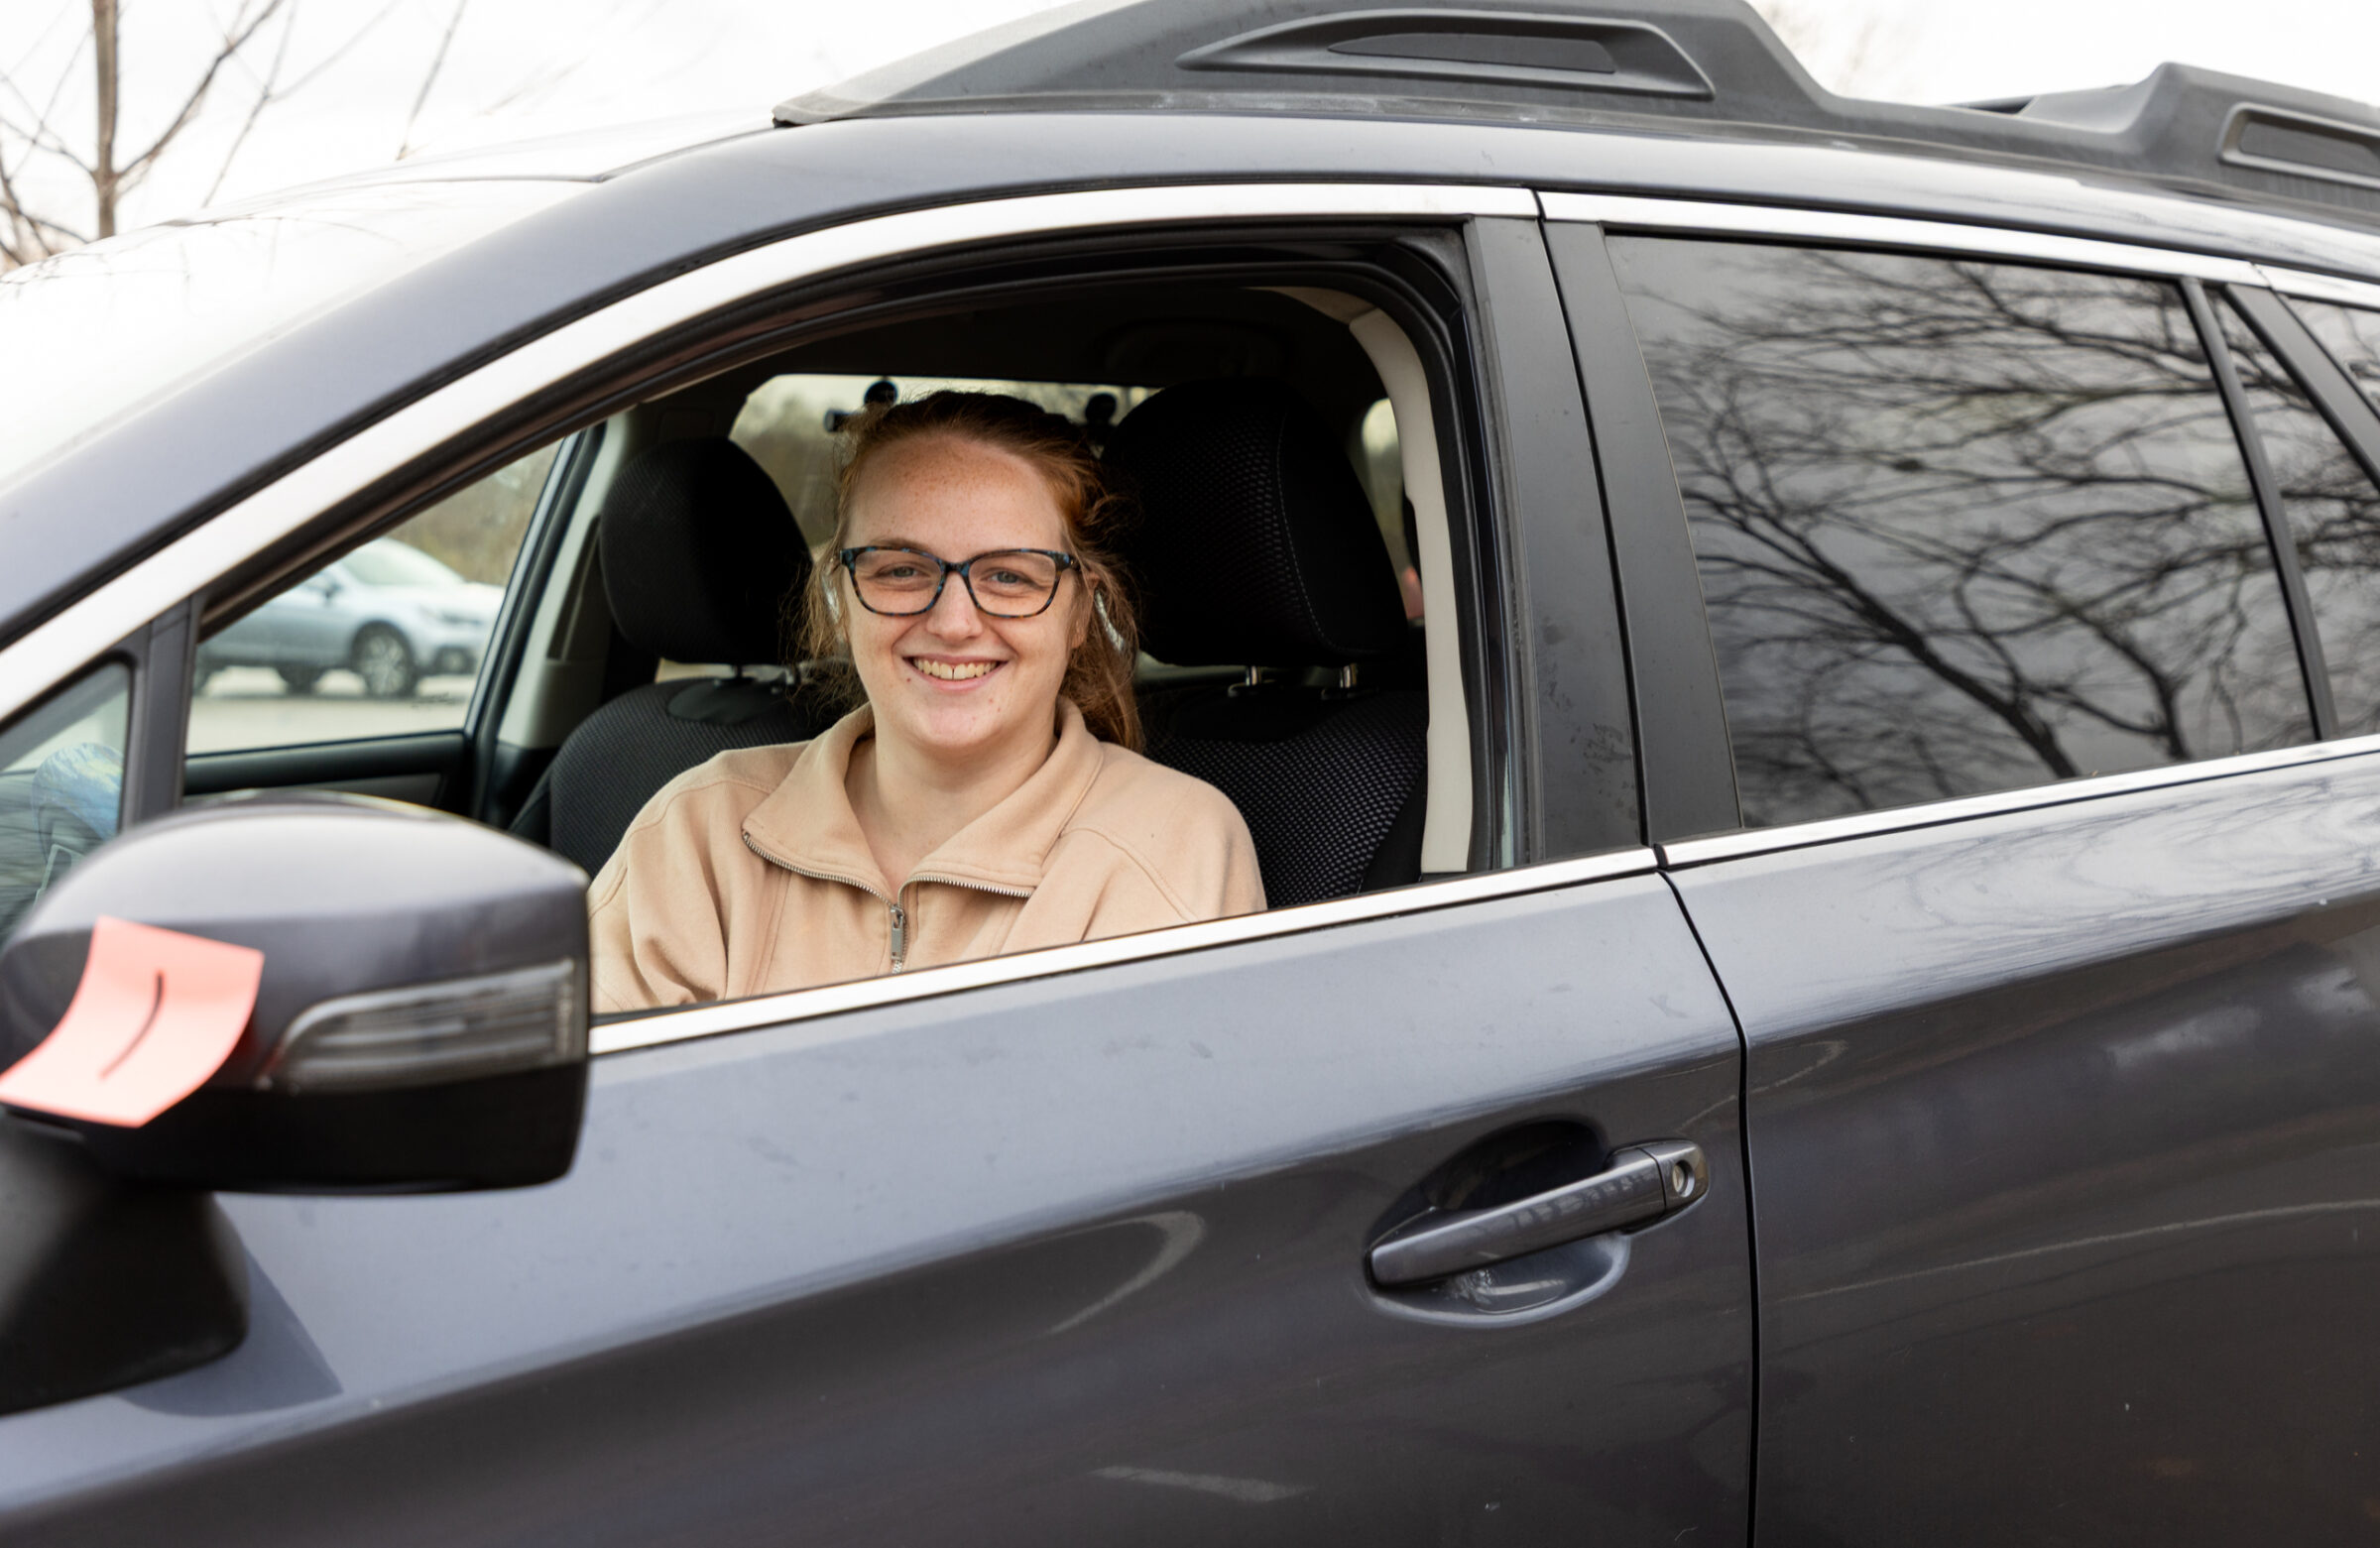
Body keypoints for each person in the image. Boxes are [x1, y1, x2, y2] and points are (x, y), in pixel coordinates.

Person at [589, 391, 1265, 1012]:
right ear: (843, 599)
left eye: (1007, 575)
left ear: (1081, 613)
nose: (953, 621)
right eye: (903, 569)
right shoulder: (694, 833)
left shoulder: (1176, 846)